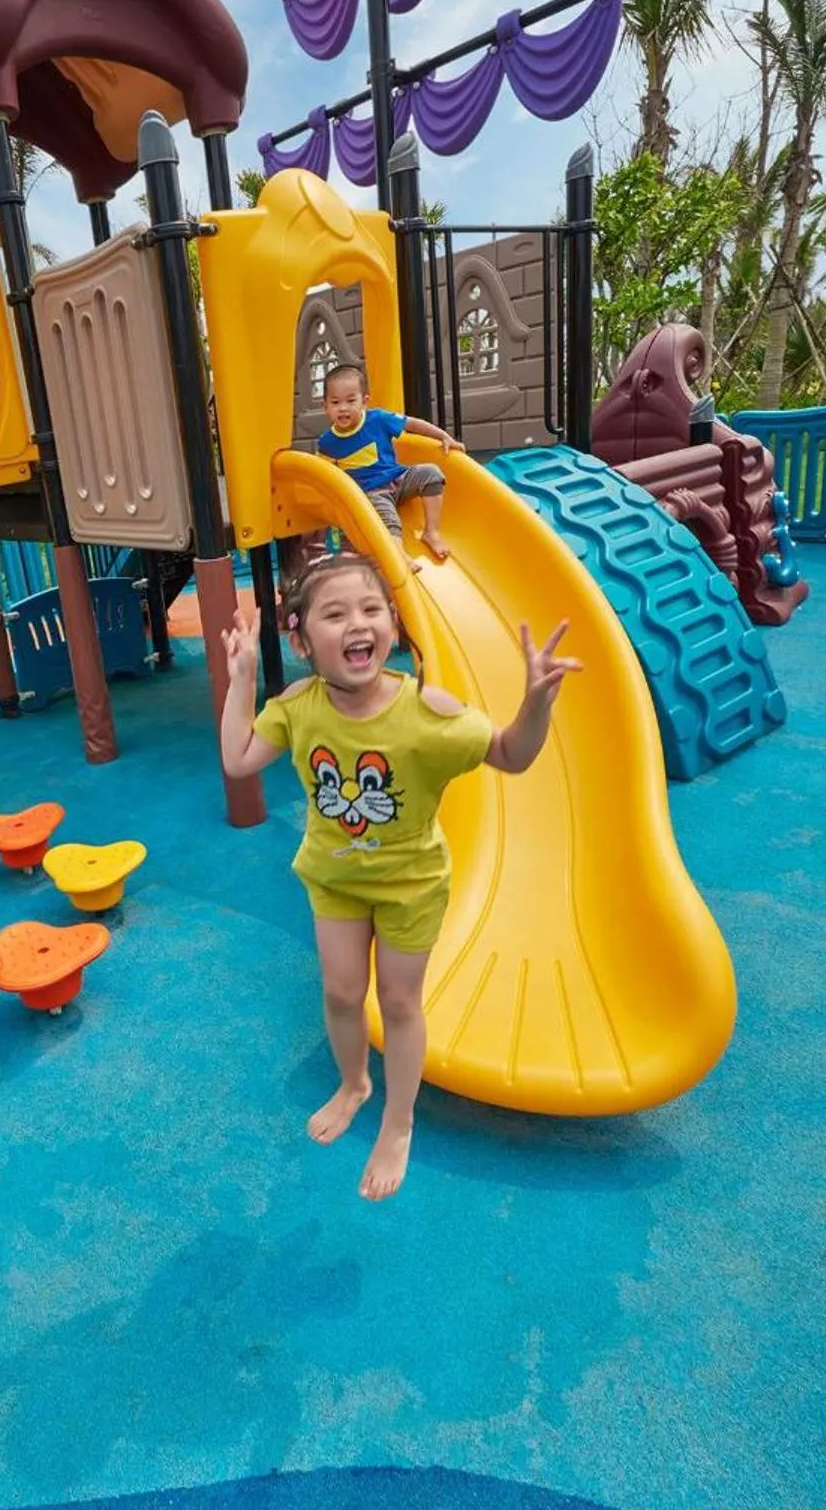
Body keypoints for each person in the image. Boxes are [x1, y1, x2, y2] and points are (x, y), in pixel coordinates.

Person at [220, 552, 580, 1202]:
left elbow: (510, 755)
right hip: (335, 880)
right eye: (335, 614)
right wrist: (241, 679)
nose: (357, 622)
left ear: (391, 624)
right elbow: (239, 759)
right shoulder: (299, 707)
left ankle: (399, 1121)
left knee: (399, 1001)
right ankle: (355, 1082)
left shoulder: (426, 711)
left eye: (370, 609)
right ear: (301, 638)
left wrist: (536, 703)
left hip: (411, 883)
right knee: (339, 992)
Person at [316, 360, 462, 561]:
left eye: (351, 401)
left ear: (364, 402)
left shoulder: (378, 419)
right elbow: (326, 476)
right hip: (371, 493)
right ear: (325, 406)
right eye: (335, 402)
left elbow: (413, 424)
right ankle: (398, 555)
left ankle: (431, 531)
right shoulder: (327, 443)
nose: (343, 408)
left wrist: (443, 436)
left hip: (399, 479)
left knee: (431, 473)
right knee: (388, 519)